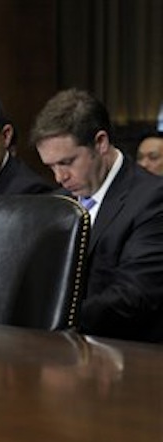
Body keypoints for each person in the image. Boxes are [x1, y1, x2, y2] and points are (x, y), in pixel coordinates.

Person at [30, 88, 163, 343]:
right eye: (51, 166)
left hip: (128, 356)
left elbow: (135, 294)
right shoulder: (56, 201)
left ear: (100, 142)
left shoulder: (153, 199)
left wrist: (55, 320)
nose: (59, 177)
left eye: (67, 162)